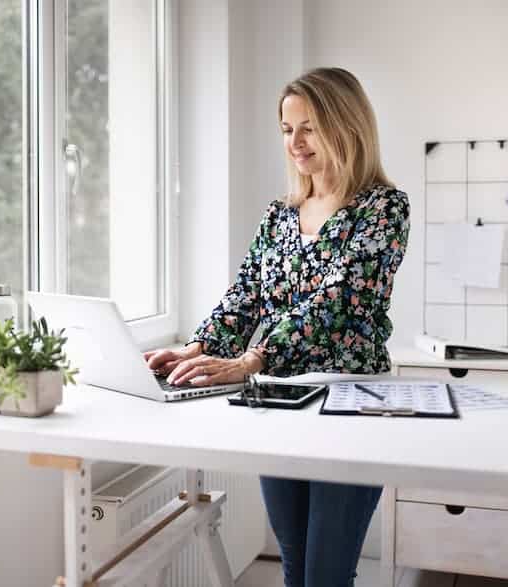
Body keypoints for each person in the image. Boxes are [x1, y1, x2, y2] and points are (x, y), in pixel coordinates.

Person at [144, 67, 410, 587]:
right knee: (293, 566)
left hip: (351, 405)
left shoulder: (383, 207)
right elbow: (246, 295)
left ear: (346, 125)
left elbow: (340, 301)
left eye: (309, 127)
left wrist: (251, 359)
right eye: (287, 130)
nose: (296, 143)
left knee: (326, 575)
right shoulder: (278, 215)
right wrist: (195, 347)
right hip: (281, 402)